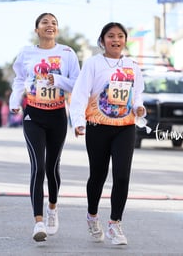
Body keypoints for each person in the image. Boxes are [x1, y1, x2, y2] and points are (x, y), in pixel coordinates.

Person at [69, 22, 146, 246]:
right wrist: (78, 121)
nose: (116, 40)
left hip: (125, 127)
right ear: (102, 40)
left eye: (120, 36)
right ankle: (92, 215)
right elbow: (81, 93)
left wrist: (139, 108)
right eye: (111, 36)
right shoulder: (93, 63)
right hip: (97, 126)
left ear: (125, 40)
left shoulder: (132, 65)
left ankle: (115, 223)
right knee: (98, 175)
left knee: (122, 176)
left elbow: (137, 94)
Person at [8, 13, 80, 242]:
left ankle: (52, 207)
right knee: (37, 167)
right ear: (36, 29)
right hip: (34, 115)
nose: (50, 26)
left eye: (54, 23)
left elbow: (77, 84)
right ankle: (38, 222)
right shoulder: (26, 53)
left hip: (57, 115)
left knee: (52, 169)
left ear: (56, 30)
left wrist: (57, 81)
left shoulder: (67, 53)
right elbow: (19, 79)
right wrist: (14, 101)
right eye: (45, 23)